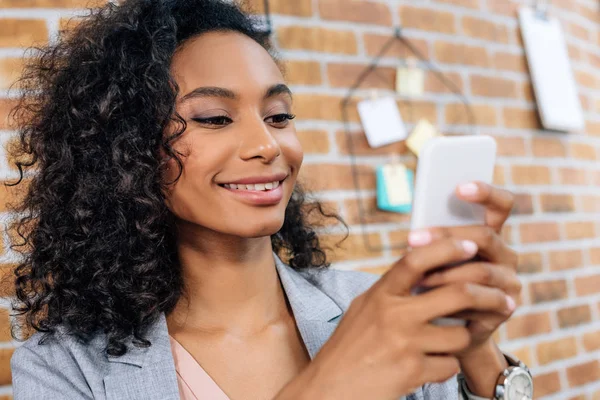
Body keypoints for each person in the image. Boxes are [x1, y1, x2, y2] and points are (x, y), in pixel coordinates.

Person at [7, 1, 524, 399]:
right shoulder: (62, 368)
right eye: (214, 117)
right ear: (127, 150)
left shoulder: (371, 309)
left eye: (278, 115)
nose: (267, 145)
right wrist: (330, 382)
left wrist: (477, 351)